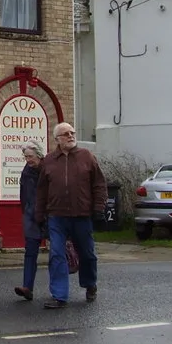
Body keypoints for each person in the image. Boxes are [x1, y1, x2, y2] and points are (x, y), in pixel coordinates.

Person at [34, 122, 107, 309]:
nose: (71, 136)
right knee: (57, 255)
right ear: (57, 139)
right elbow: (42, 191)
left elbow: (99, 185)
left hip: (82, 215)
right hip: (57, 216)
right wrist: (39, 216)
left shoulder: (87, 157)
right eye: (66, 134)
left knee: (87, 254)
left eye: (72, 132)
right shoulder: (49, 161)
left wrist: (99, 208)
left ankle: (90, 284)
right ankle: (59, 296)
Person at [14, 140, 46, 301]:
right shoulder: (26, 171)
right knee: (30, 253)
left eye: (31, 156)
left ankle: (59, 290)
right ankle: (27, 287)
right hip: (31, 216)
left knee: (58, 254)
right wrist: (26, 211)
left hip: (49, 216)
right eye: (26, 157)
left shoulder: (48, 169)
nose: (28, 160)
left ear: (39, 155)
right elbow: (24, 194)